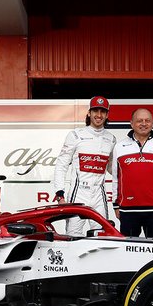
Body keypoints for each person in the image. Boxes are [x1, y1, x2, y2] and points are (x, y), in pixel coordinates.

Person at [52, 95, 117, 236]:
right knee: (73, 235)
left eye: (102, 112)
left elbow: (112, 168)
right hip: (79, 193)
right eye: (95, 111)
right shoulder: (75, 135)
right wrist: (59, 193)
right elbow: (61, 165)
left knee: (102, 235)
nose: (98, 115)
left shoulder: (111, 139)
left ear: (107, 115)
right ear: (89, 113)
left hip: (99, 193)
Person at [111, 108, 153, 238]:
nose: (144, 124)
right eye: (139, 121)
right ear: (131, 123)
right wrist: (116, 205)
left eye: (147, 120)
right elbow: (116, 178)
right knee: (128, 250)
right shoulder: (119, 147)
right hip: (128, 210)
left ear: (152, 123)